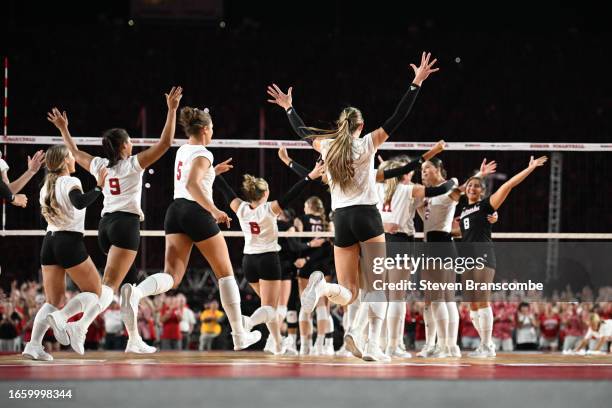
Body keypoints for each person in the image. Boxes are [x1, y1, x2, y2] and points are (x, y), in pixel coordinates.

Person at [268, 52, 439, 361]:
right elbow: (397, 118)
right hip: (367, 216)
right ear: (362, 125)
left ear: (340, 125)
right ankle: (373, 345)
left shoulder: (328, 145)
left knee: (348, 291)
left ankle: (322, 290)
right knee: (376, 287)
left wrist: (289, 108)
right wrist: (416, 83)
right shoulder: (368, 142)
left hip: (341, 219)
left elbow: (302, 131)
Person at [46, 86, 183, 353]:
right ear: (123, 146)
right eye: (130, 141)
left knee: (128, 287)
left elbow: (73, 152)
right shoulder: (132, 164)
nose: (132, 144)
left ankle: (134, 339)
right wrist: (172, 110)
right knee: (109, 286)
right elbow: (166, 144)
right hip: (125, 226)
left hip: (105, 226)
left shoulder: (99, 165)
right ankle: (77, 324)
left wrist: (64, 129)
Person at [121, 106, 260, 351]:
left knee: (173, 277)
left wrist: (213, 173)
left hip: (175, 211)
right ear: (205, 129)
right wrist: (215, 210)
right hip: (196, 211)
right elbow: (193, 184)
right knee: (225, 273)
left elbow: (192, 180)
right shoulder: (204, 153)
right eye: (213, 127)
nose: (214, 131)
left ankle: (137, 293)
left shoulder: (184, 149)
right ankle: (240, 335)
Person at [214, 160, 325, 354]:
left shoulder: (240, 208)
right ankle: (248, 321)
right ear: (265, 194)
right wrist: (311, 176)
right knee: (270, 309)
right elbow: (293, 193)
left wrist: (214, 173)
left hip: (248, 262)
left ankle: (277, 344)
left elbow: (225, 190)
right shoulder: (269, 209)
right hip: (268, 260)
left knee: (267, 308)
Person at [454, 156, 548, 357]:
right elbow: (461, 232)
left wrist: (529, 168)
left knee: (482, 299)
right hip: (466, 258)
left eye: (477, 186)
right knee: (472, 304)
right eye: (469, 186)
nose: (472, 188)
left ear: (483, 191)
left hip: (483, 254)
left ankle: (487, 345)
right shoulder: (462, 211)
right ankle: (485, 345)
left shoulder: (486, 205)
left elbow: (508, 185)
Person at [22, 145, 105, 360]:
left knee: (52, 299)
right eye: (71, 156)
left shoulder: (45, 187)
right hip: (68, 241)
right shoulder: (71, 181)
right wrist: (99, 187)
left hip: (49, 243)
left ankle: (33, 344)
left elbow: (47, 217)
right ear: (64, 161)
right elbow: (79, 203)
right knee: (95, 292)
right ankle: (63, 317)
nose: (74, 159)